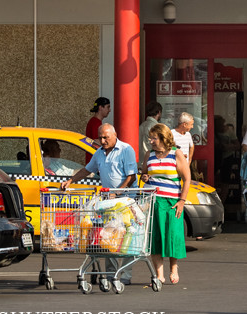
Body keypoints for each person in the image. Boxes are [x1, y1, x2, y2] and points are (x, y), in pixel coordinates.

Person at [61, 123, 138, 285]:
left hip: (126, 201)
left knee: (127, 240)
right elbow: (87, 170)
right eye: (100, 138)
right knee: (109, 238)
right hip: (109, 203)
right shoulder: (99, 153)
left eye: (106, 137)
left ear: (115, 135)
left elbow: (131, 176)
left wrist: (118, 192)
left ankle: (125, 274)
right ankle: (110, 274)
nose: (102, 141)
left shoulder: (126, 150)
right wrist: (71, 180)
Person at [144, 122, 191, 285]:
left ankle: (174, 268)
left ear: (163, 138)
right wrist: (145, 177)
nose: (151, 141)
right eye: (150, 138)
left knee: (173, 236)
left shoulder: (176, 154)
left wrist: (182, 201)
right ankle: (159, 275)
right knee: (155, 238)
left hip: (172, 202)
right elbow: (144, 173)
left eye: (154, 138)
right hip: (153, 202)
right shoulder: (149, 155)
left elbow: (187, 179)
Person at [85, 97, 110, 163]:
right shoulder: (96, 123)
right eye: (108, 107)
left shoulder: (95, 121)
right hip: (94, 162)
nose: (109, 110)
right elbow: (97, 142)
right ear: (100, 107)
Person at [138, 101, 163, 168]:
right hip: (153, 162)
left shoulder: (141, 126)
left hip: (140, 162)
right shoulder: (157, 127)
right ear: (159, 112)